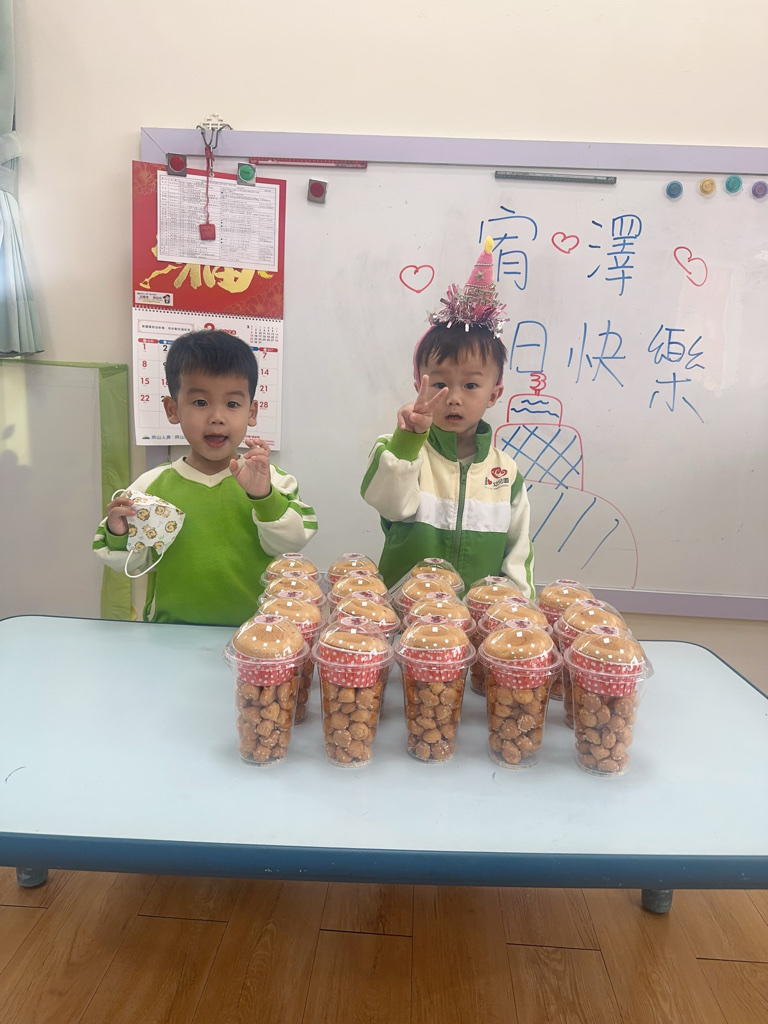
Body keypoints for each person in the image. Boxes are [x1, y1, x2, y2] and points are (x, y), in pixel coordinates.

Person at [93, 330, 317, 625]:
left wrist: (263, 498)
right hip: (169, 632)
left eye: (232, 404)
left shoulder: (271, 480)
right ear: (173, 410)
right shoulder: (150, 487)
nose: (217, 417)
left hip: (257, 634)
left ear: (252, 412)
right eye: (200, 402)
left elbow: (292, 543)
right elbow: (135, 563)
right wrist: (119, 534)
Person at [361, 239, 534, 596]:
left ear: (494, 394)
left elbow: (518, 556)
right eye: (440, 384)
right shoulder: (399, 451)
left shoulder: (506, 474)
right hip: (404, 615)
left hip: (477, 620)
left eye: (471, 385)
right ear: (419, 387)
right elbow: (387, 502)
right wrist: (408, 440)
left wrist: (517, 610)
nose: (454, 398)